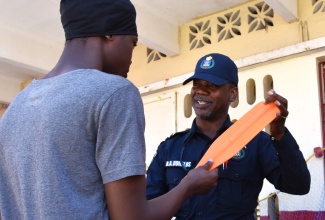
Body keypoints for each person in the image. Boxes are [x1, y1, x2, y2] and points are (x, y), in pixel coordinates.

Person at [0, 1, 219, 220]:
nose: (132, 58)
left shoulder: (15, 109)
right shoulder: (114, 93)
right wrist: (188, 186)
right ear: (109, 33)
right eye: (132, 44)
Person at [146, 53, 311, 220]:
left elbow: (299, 186)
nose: (200, 91)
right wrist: (185, 188)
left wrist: (280, 134)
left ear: (232, 94)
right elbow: (147, 208)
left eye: (211, 85)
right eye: (196, 85)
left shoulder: (255, 142)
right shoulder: (169, 148)